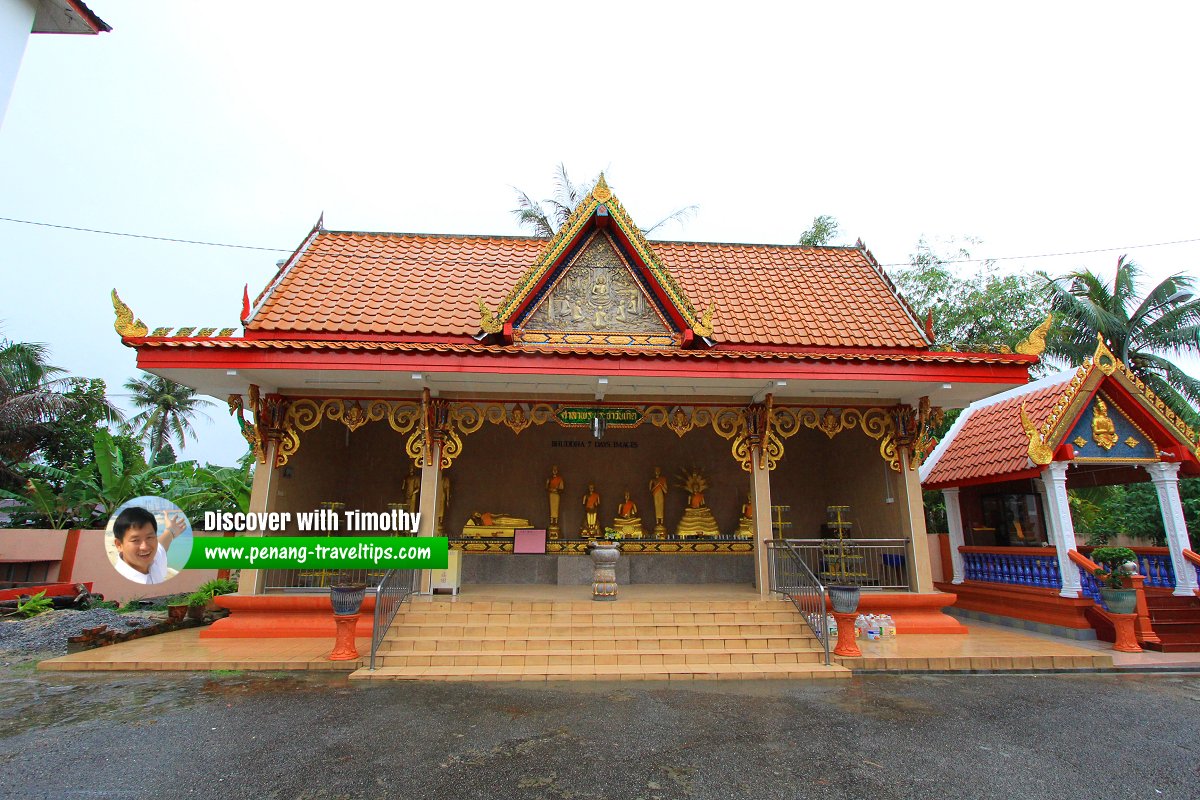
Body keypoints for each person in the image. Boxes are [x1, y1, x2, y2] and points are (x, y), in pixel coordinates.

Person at [111, 506, 186, 585]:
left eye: (149, 537)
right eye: (135, 540)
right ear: (119, 545)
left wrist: (171, 530)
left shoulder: (154, 559)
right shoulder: (120, 582)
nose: (145, 547)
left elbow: (162, 544)